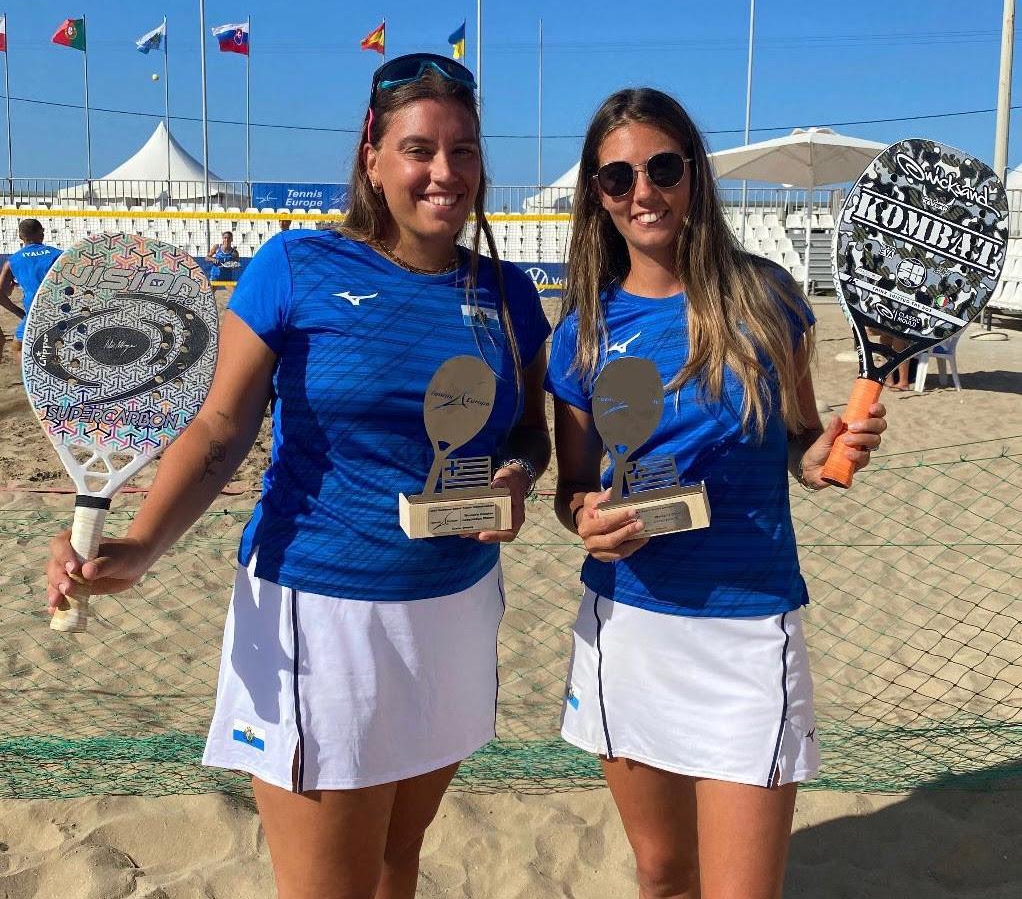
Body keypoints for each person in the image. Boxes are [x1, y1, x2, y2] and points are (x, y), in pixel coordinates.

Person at [47, 53, 551, 899]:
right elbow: (217, 429)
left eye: (463, 151)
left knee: (398, 860)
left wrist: (516, 480)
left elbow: (531, 435)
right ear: (372, 157)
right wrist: (141, 545)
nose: (444, 172)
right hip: (320, 614)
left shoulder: (507, 291)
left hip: (457, 607)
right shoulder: (297, 266)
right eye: (420, 149)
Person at [545, 88, 887, 899]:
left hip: (747, 624)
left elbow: (799, 443)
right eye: (618, 177)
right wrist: (584, 521)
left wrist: (827, 450)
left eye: (663, 168)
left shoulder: (767, 298)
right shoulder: (582, 332)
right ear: (597, 195)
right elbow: (571, 489)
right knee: (663, 875)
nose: (643, 192)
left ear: (693, 175)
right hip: (628, 627)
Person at [0, 218, 63, 361]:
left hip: (34, 311)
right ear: (42, 233)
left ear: (21, 237)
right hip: (60, 308)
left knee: (18, 348)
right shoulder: (59, 255)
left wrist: (18, 311)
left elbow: (1, 293)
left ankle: (33, 380)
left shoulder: (13, 261)